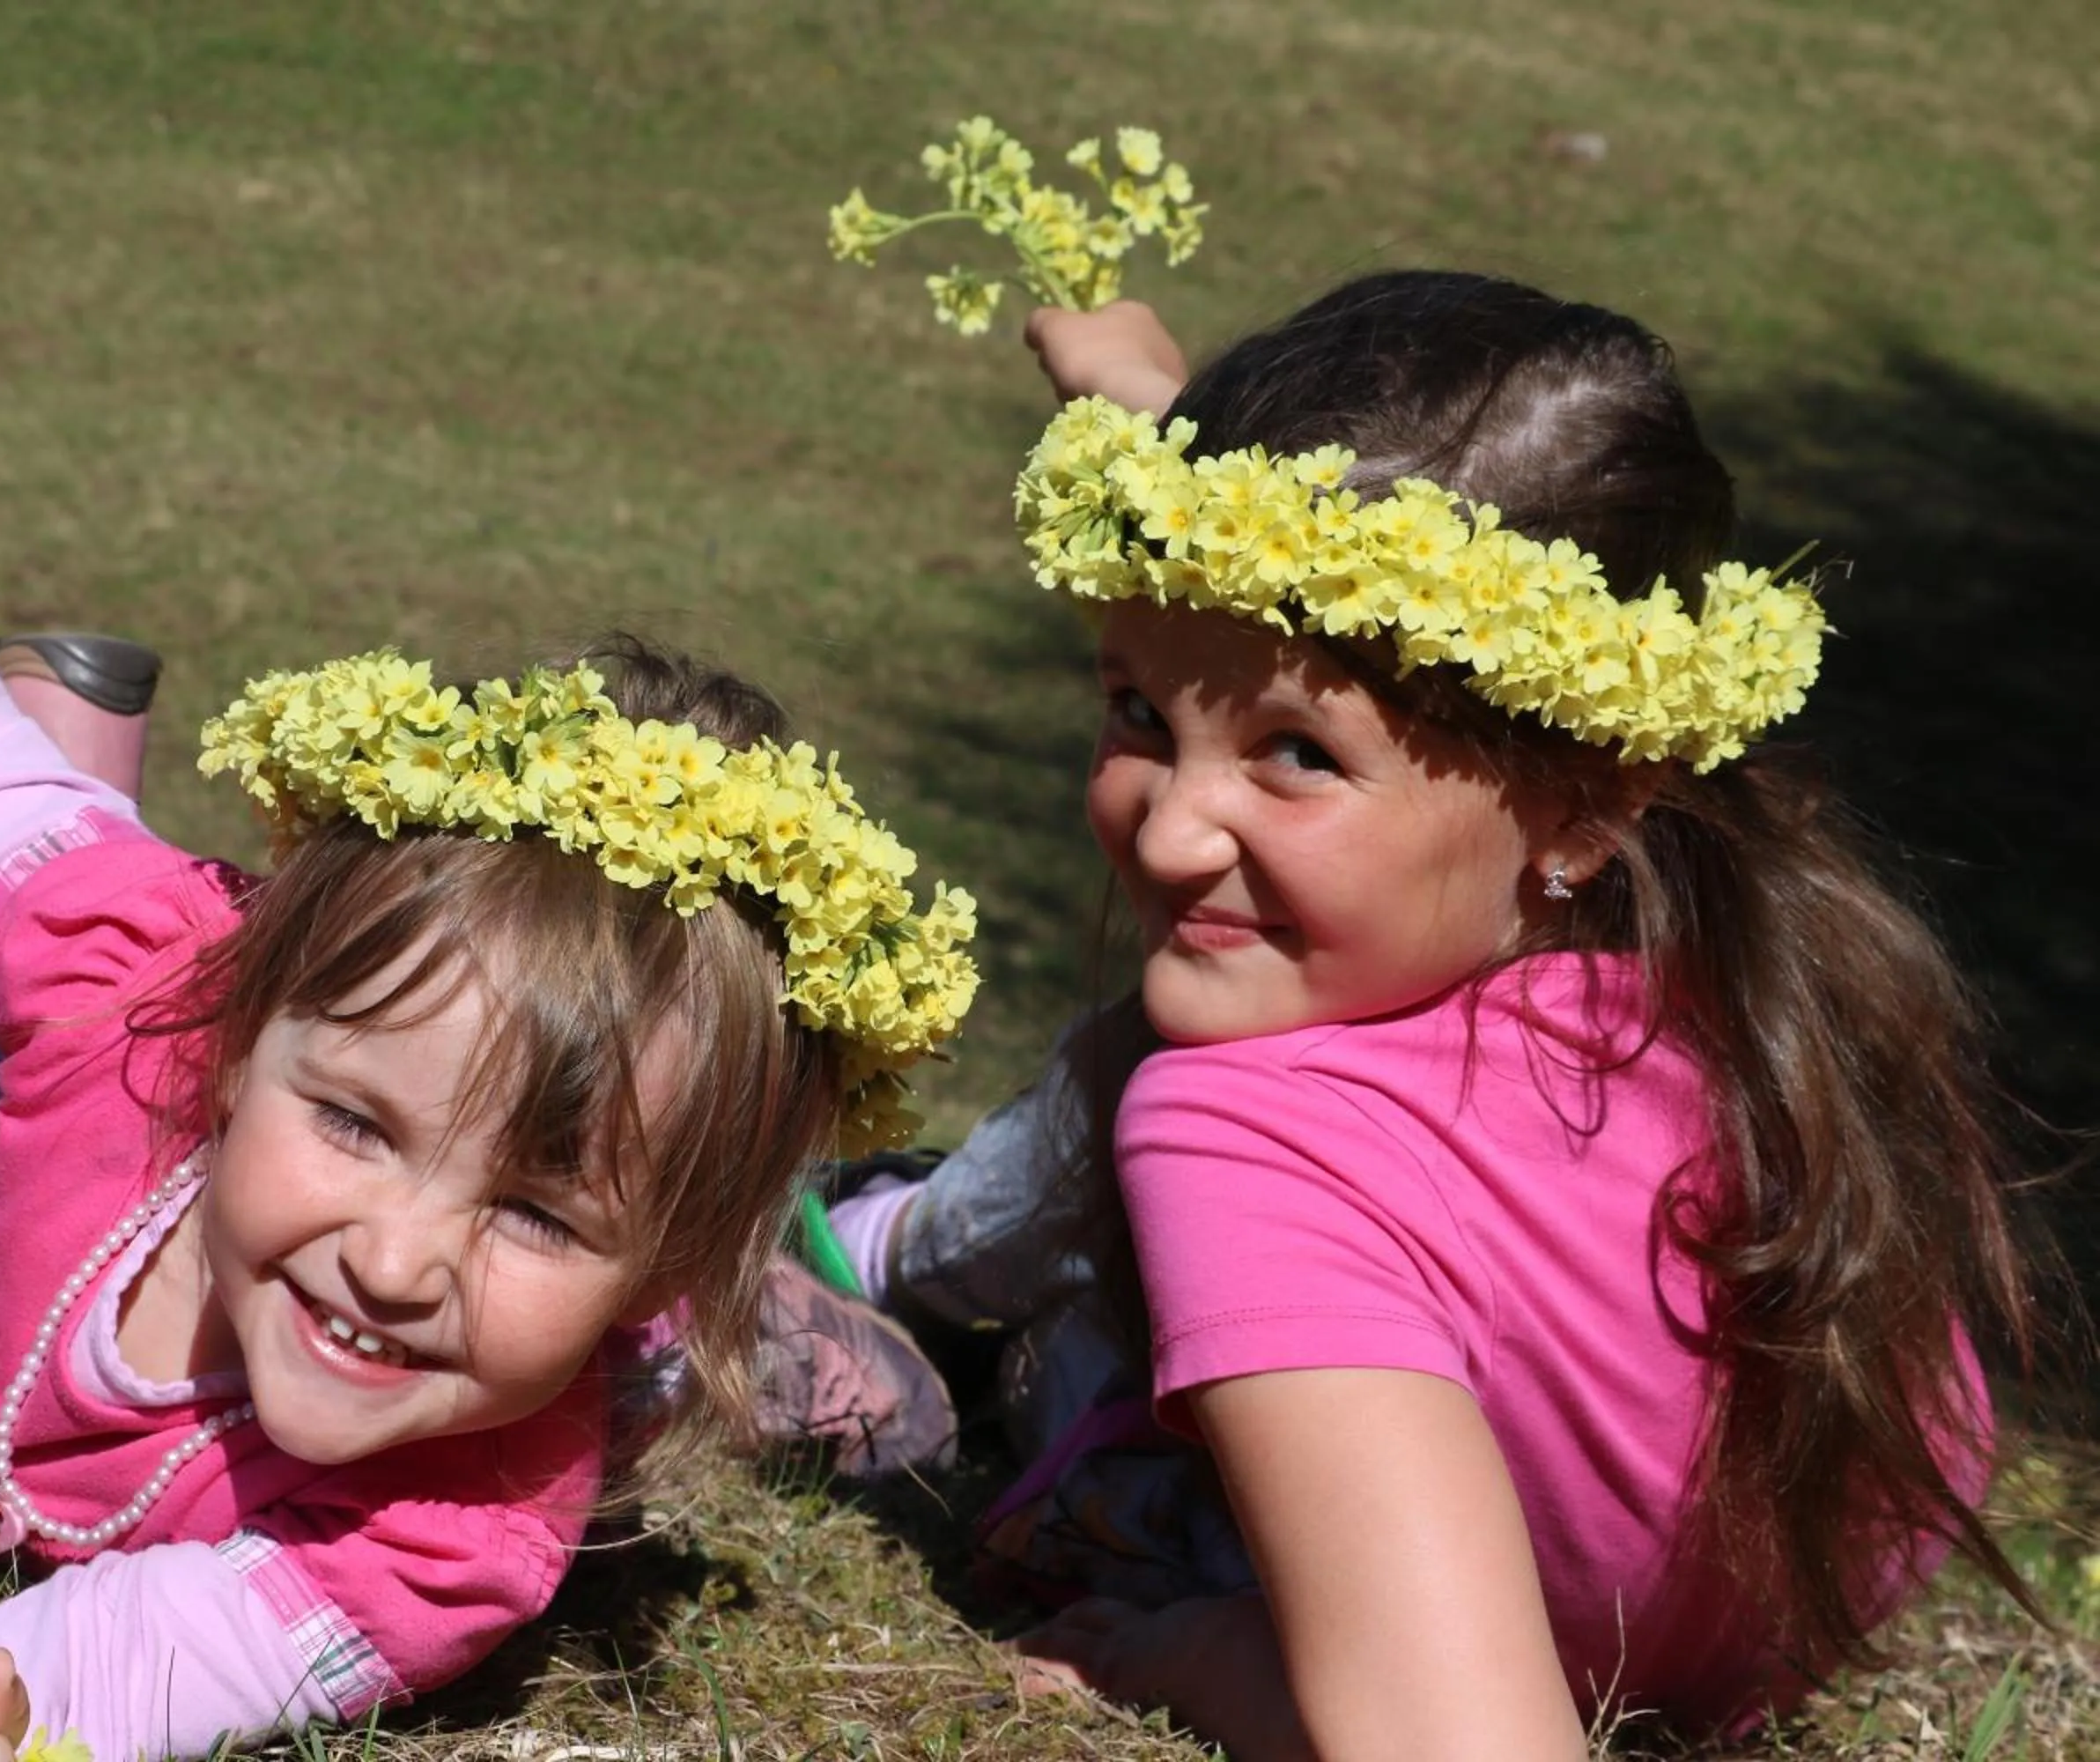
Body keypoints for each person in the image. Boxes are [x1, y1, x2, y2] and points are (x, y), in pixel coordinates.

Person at [0, 78, 979, 1762]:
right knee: (7, 877)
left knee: (662, 1368)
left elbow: (133, 1659)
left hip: (610, 1311)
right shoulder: (140, 978)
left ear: (645, 1271)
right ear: (241, 1039)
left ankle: (755, 1314)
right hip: (65, 1107)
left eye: (543, 1216)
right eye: (349, 1120)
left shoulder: (452, 1535)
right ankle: (61, 775)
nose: (400, 1261)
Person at [817, 279, 2042, 1756]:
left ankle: (883, 1251)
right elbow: (1255, 593)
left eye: (1295, 757)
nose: (1169, 831)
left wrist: (1205, 1652)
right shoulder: (1743, 959)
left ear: (1582, 803)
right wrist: (1131, 388)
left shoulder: (1253, 1137)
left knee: (1134, 1099)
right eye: (1140, 712)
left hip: (1493, 1626)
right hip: (1757, 1635)